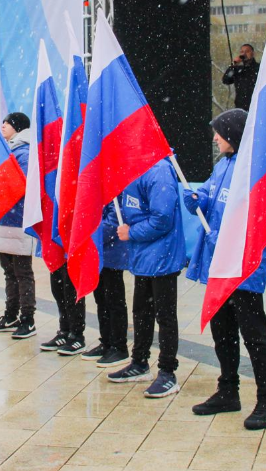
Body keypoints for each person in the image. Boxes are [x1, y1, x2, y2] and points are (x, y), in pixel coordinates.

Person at [184, 109, 266, 430]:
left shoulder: (253, 170)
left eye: (219, 133)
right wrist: (196, 198)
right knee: (222, 331)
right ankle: (228, 391)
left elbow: (261, 222)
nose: (215, 139)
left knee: (254, 335)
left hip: (243, 268)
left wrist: (226, 239)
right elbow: (210, 197)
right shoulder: (224, 164)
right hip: (219, 267)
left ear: (234, 136)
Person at [105, 159, 186, 399]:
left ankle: (168, 372)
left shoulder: (158, 171)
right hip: (143, 256)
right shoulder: (135, 167)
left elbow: (163, 219)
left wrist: (132, 233)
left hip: (162, 257)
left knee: (165, 315)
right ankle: (139, 362)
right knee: (141, 311)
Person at [0, 112, 38, 340]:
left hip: (18, 221)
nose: (2, 126)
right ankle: (11, 314)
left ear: (17, 126)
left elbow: (21, 185)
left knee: (22, 272)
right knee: (9, 272)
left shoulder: (23, 152)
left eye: (6, 123)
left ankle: (27, 319)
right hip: (4, 219)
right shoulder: (9, 150)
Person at [83, 215, 130, 368]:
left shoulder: (116, 193)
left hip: (112, 252)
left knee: (114, 301)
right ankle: (106, 342)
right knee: (101, 299)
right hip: (98, 250)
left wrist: (91, 234)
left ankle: (119, 347)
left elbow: (115, 220)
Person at [221, 44, 260, 111]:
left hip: (256, 106)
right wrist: (233, 65)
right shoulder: (237, 69)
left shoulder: (259, 68)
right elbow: (226, 80)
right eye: (242, 52)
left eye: (247, 51)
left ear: (252, 53)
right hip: (240, 107)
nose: (244, 54)